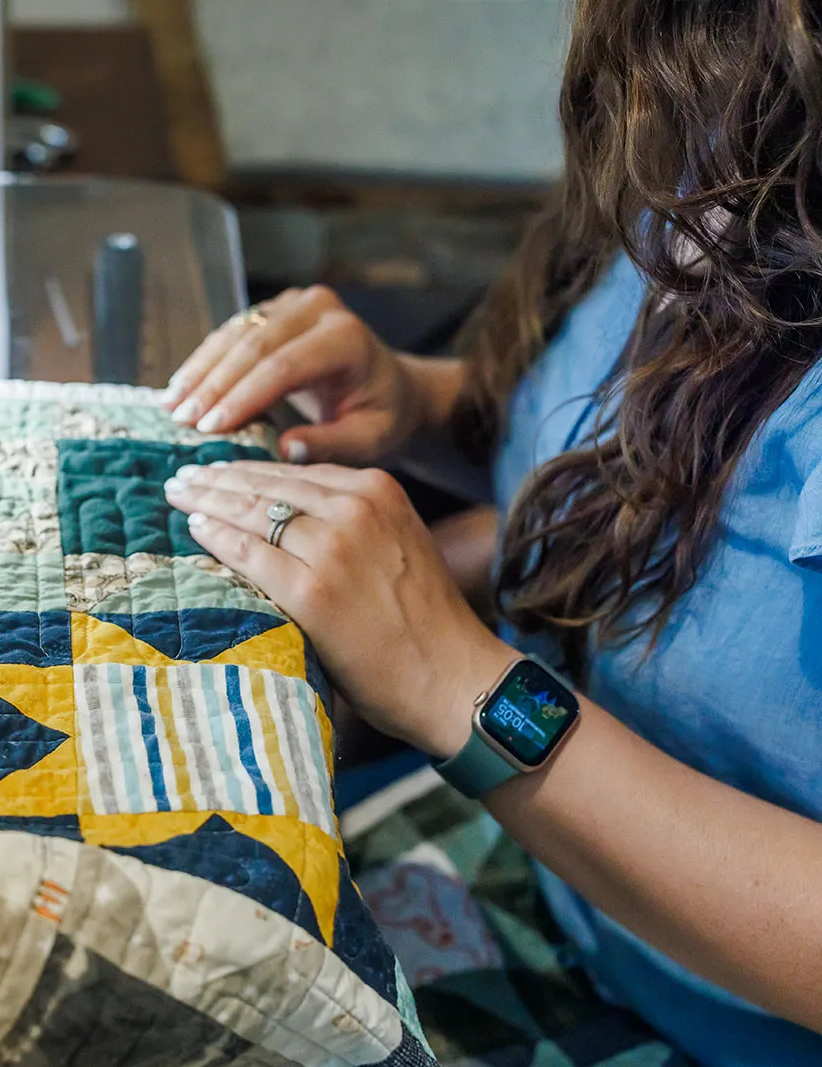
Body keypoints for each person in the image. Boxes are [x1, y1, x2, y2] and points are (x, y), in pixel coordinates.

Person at [158, 2, 822, 1064]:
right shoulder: (725, 122)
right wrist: (421, 404)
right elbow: (659, 458)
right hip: (552, 895)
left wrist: (455, 685)